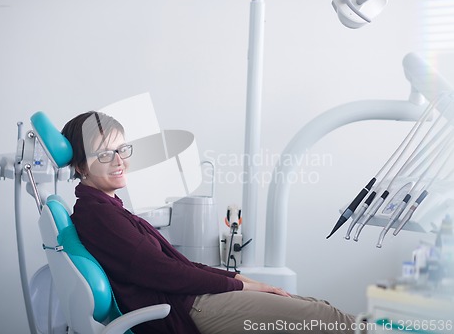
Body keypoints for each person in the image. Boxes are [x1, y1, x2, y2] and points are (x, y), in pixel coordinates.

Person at [61, 111, 360, 334]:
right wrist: (238, 286)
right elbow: (164, 272)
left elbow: (179, 265)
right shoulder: (98, 215)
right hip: (189, 308)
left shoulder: (107, 208)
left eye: (121, 149)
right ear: (80, 165)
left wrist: (243, 281)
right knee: (329, 319)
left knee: (319, 307)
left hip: (193, 299)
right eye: (104, 153)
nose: (118, 160)